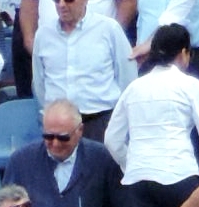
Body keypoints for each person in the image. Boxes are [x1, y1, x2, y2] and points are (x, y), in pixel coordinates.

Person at [105, 22, 199, 207]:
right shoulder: (189, 84)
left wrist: (130, 164)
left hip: (139, 181)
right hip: (179, 174)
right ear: (183, 54)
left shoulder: (134, 88)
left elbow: (112, 139)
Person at [32, 0, 135, 134]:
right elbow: (39, 82)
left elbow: (127, 76)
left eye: (69, 0)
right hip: (59, 125)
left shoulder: (109, 29)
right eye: (57, 0)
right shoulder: (43, 34)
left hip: (100, 120)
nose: (62, 5)